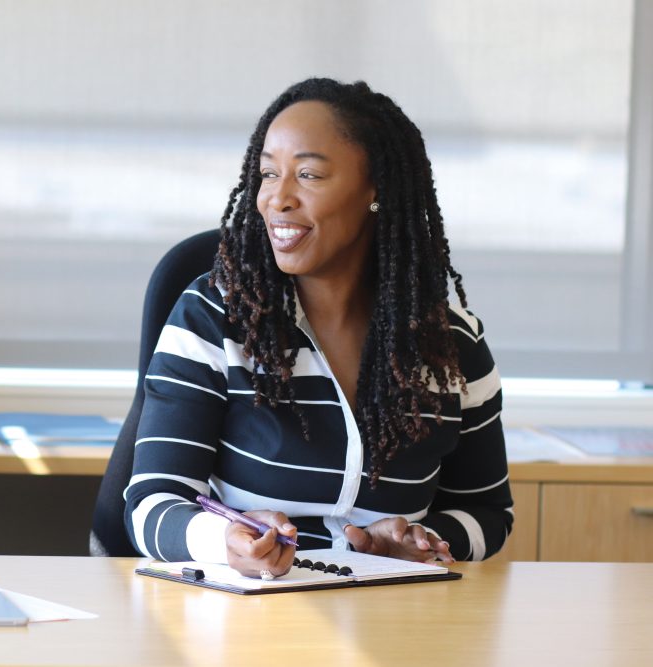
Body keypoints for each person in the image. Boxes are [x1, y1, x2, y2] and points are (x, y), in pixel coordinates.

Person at [123, 77, 513, 579]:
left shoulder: (450, 344)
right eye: (267, 174)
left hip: (400, 622)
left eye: (307, 174)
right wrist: (225, 541)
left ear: (377, 191)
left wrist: (426, 542)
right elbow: (150, 505)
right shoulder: (216, 317)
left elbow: (488, 513)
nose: (277, 198)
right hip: (253, 623)